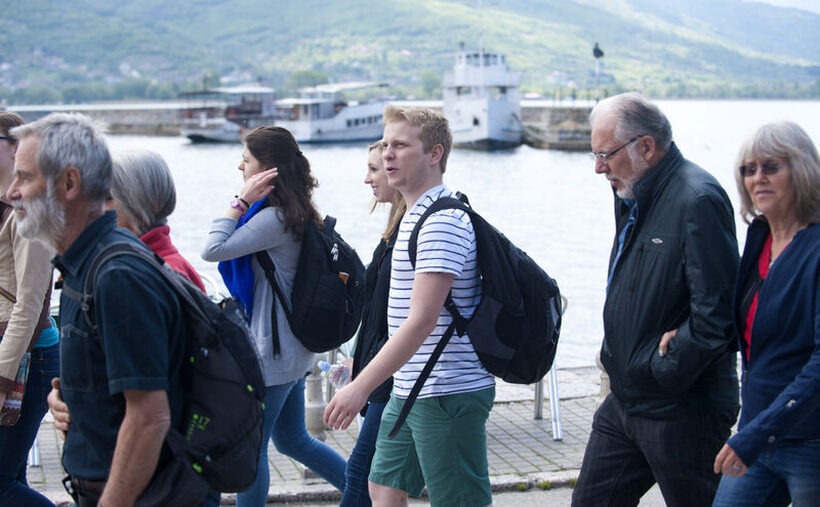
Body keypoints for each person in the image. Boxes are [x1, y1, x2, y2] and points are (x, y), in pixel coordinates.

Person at [8, 112, 188, 506]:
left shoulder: (116, 274)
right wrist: (69, 400)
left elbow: (148, 418)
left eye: (24, 177)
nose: (12, 191)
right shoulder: (83, 265)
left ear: (69, 183)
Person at [571, 92, 740, 507]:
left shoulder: (697, 199)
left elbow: (718, 316)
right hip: (626, 401)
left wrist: (660, 368)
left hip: (682, 409)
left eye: (605, 155)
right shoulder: (633, 195)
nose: (598, 168)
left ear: (645, 147)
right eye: (594, 155)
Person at [325, 105, 495, 507]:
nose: (387, 155)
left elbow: (421, 321)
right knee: (381, 487)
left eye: (400, 145)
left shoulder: (441, 221)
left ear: (434, 154)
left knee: (458, 501)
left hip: (446, 389)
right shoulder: (414, 217)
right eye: (385, 144)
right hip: (411, 387)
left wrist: (359, 388)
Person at [201, 125, 346, 506]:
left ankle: (365, 493)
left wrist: (238, 201)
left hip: (275, 357)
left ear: (267, 168)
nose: (240, 167)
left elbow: (213, 248)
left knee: (252, 450)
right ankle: (365, 493)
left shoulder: (274, 219)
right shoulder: (294, 210)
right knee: (292, 439)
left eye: (246, 160)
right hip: (291, 350)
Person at [712, 121, 820, 506]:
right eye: (748, 169)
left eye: (772, 167)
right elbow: (758, 325)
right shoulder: (760, 237)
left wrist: (755, 436)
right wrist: (683, 331)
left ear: (803, 169)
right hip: (757, 432)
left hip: (810, 440)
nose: (758, 178)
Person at [340, 141, 406, 507]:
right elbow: (378, 314)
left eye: (374, 170)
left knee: (363, 476)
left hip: (391, 380)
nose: (367, 179)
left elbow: (404, 322)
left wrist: (365, 380)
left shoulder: (404, 236)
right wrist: (355, 358)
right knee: (382, 485)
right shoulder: (391, 233)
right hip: (381, 376)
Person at [0, 112, 58, 507]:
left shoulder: (28, 209)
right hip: (13, 351)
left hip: (29, 357)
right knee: (12, 476)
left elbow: (30, 303)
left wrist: (1, 378)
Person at [108, 150, 205, 291]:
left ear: (136, 202)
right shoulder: (167, 265)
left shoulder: (151, 275)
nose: (97, 209)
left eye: (108, 198)